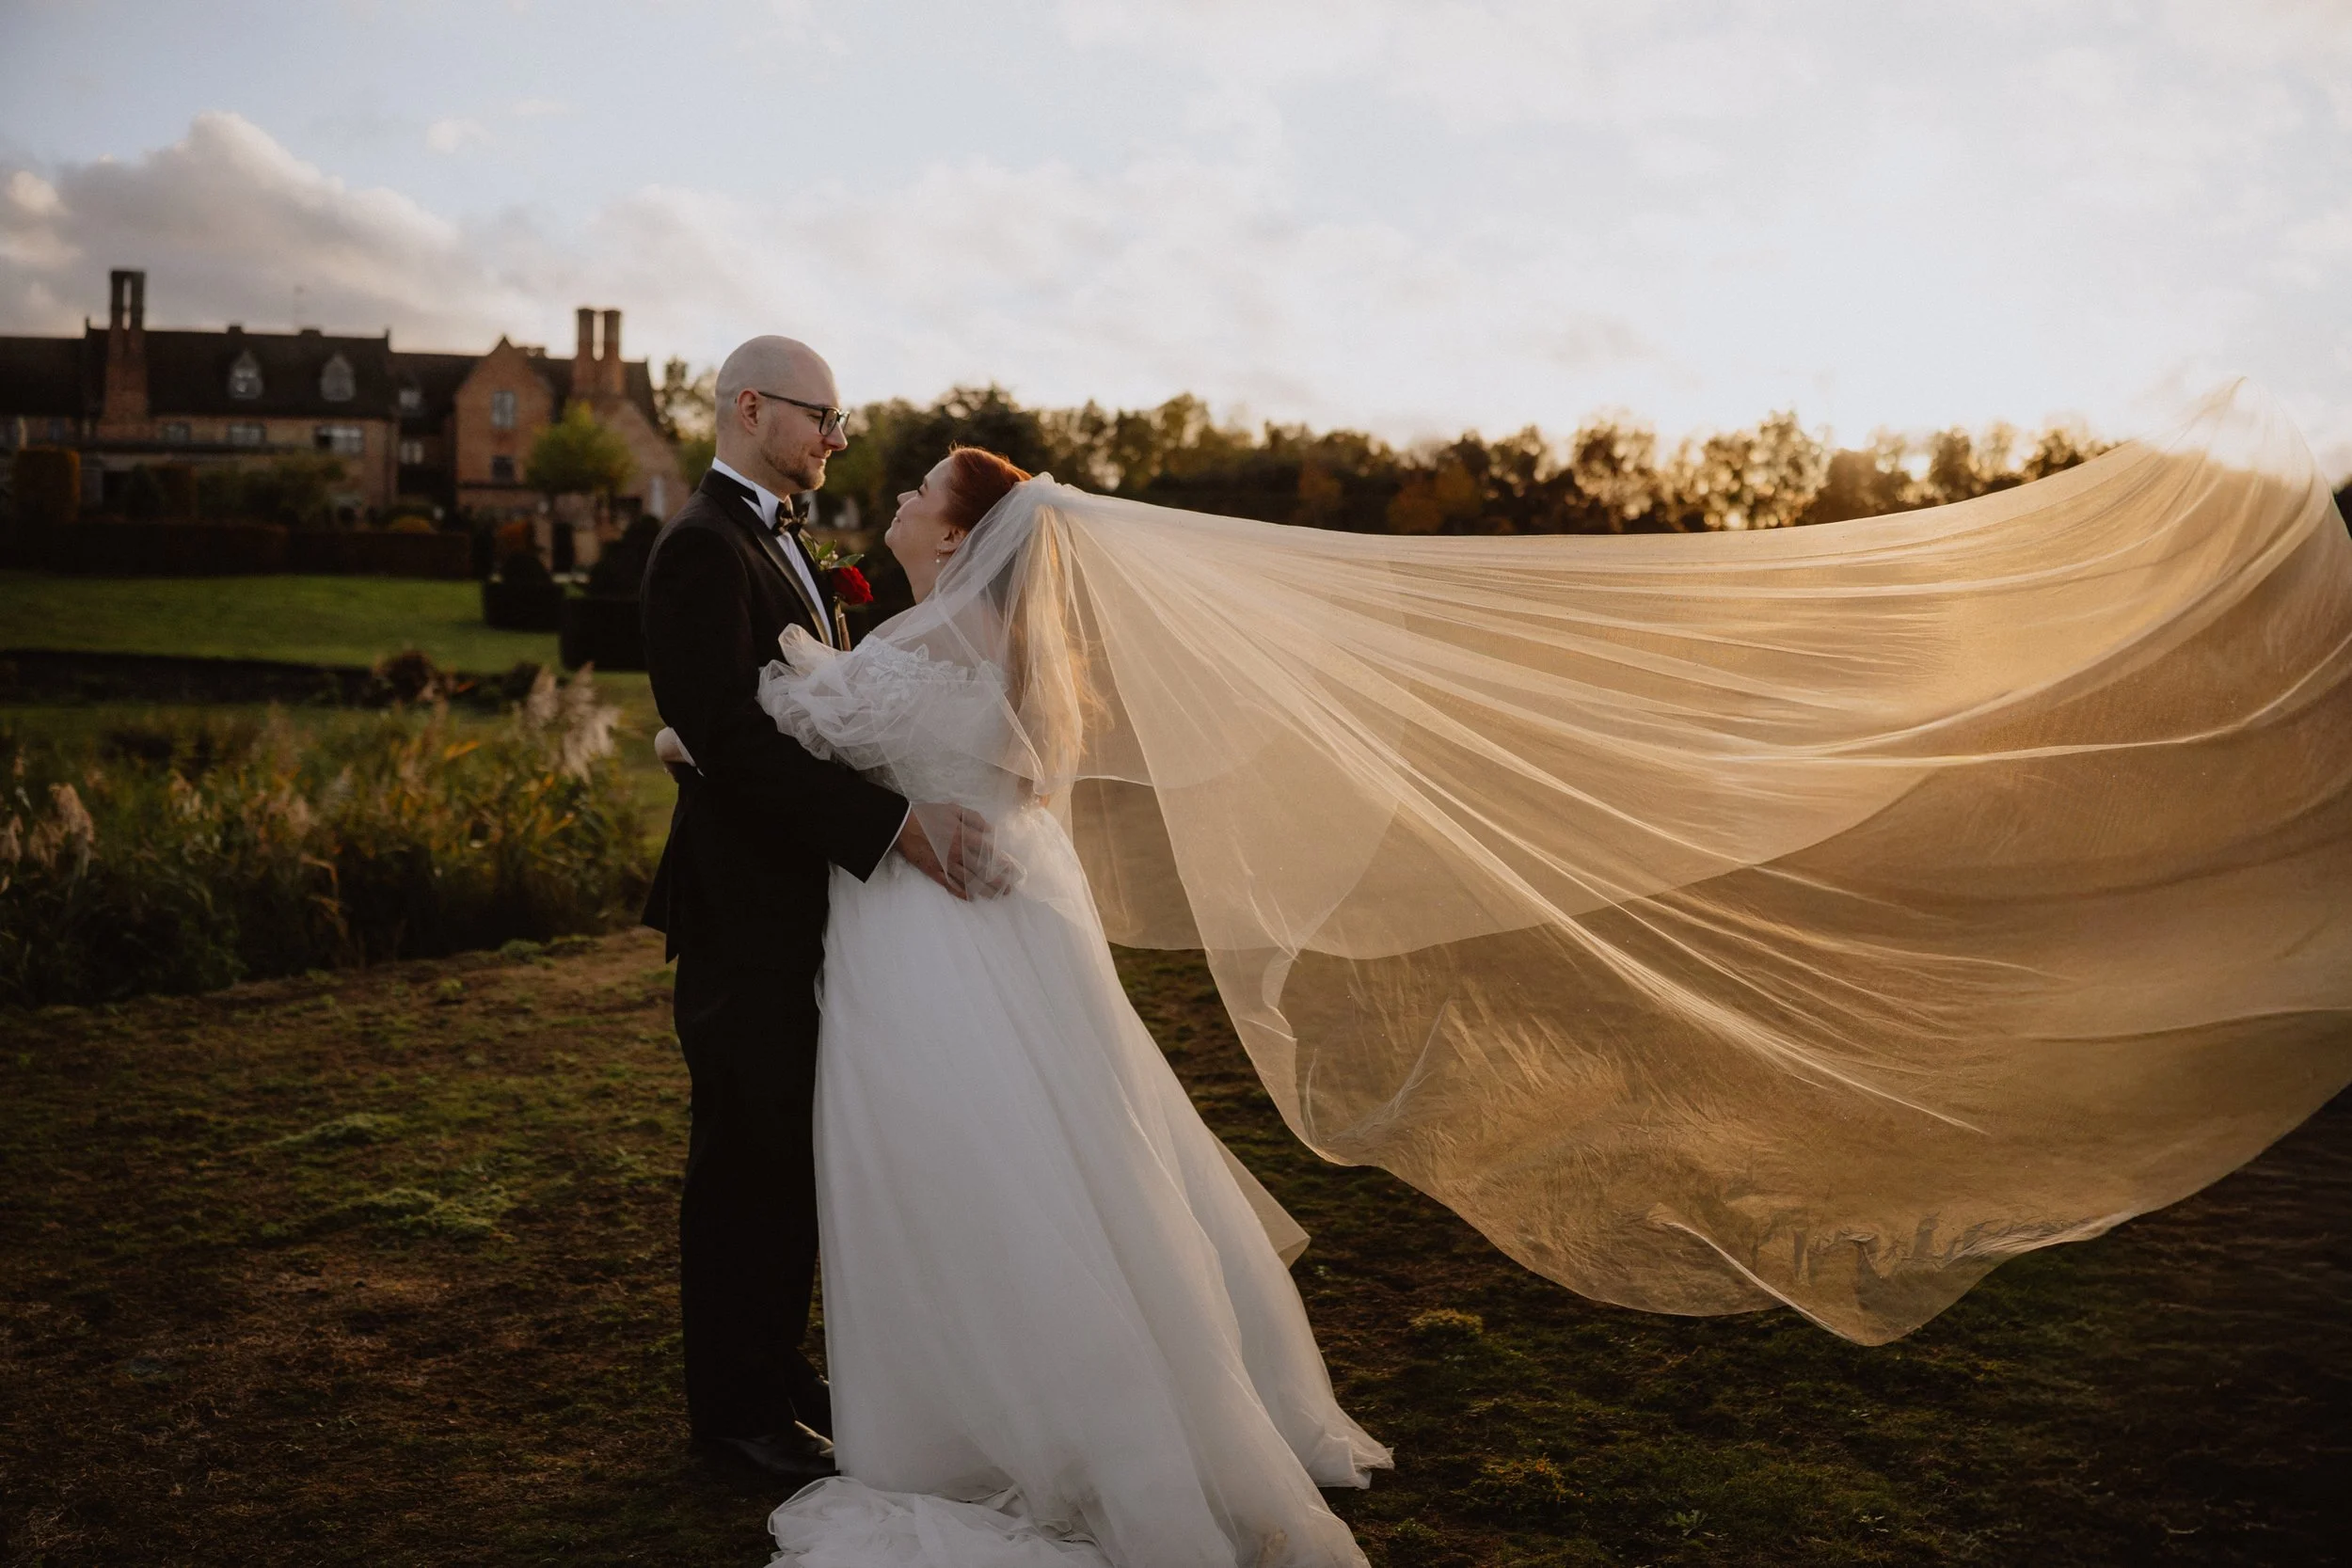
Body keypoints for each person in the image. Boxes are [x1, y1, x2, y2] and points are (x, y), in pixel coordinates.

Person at [638, 336, 1002, 1487]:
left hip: (801, 902)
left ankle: (776, 1369)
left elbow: (783, 714)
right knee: (742, 1156)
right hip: (742, 910)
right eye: (823, 417)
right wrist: (893, 830)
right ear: (751, 408)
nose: (837, 440)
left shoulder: (777, 539)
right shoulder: (702, 547)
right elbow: (733, 738)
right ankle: (731, 1415)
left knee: (789, 1152)